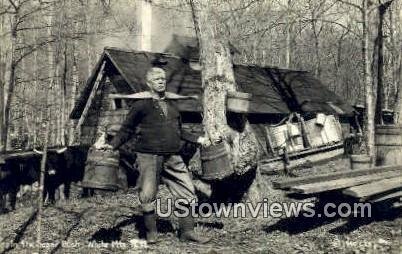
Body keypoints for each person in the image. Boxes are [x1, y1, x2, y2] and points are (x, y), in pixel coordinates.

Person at [108, 67, 211, 244]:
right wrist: (112, 146)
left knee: (187, 190)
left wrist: (199, 139)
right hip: (148, 156)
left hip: (173, 155)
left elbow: (180, 132)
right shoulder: (141, 106)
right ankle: (151, 233)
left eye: (163, 78)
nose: (161, 81)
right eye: (157, 79)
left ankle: (187, 232)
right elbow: (126, 130)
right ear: (149, 83)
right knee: (147, 194)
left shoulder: (173, 106)